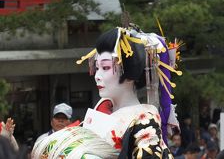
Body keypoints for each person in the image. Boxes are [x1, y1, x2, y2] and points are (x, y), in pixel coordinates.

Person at [32, 24, 182, 158]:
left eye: (105, 68)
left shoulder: (144, 120)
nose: (97, 76)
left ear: (130, 73)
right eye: (97, 68)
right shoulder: (102, 110)